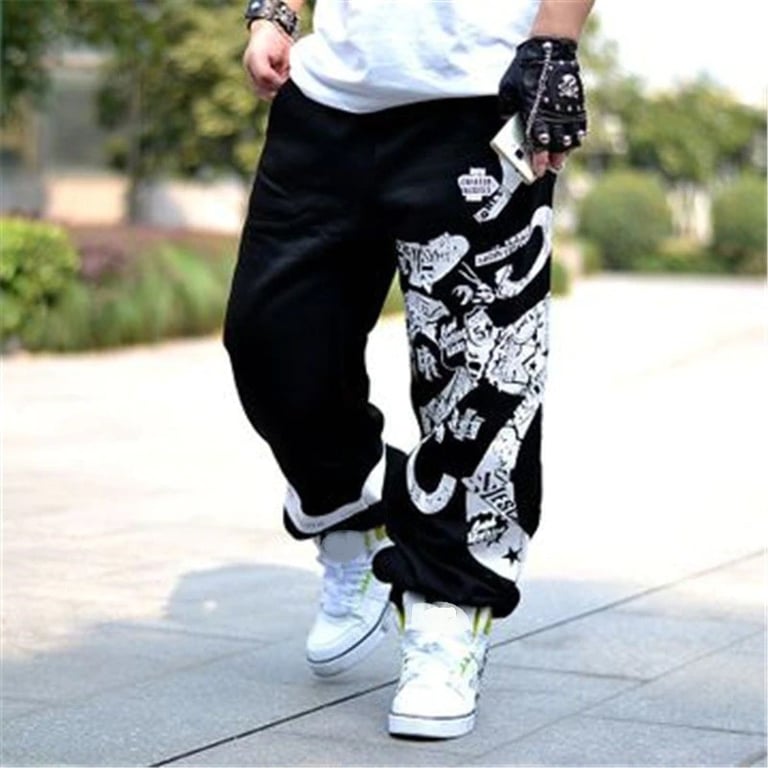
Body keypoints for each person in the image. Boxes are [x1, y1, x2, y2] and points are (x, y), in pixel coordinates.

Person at [224, 0, 594, 740]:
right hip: (328, 98)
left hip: (477, 95)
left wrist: (555, 43)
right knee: (270, 341)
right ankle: (348, 511)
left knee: (478, 376)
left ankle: (451, 609)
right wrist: (275, 16)